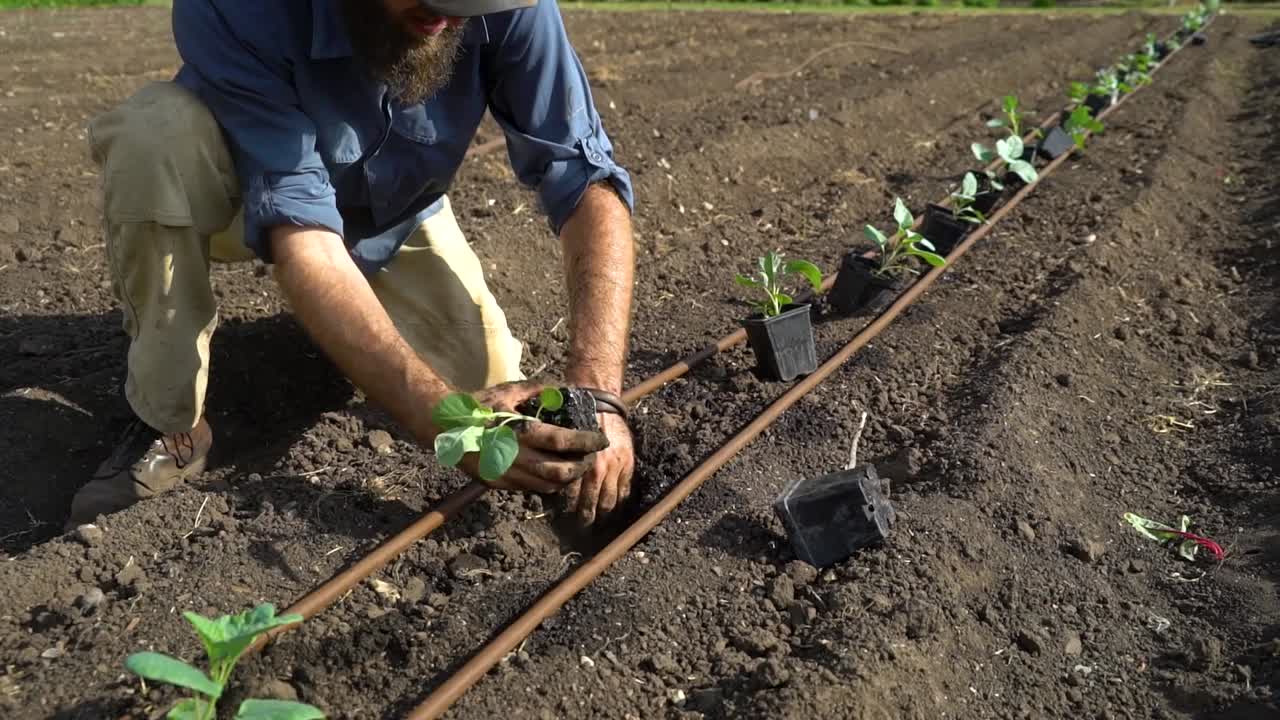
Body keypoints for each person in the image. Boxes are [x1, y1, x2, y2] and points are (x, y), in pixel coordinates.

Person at [69, 0, 636, 529]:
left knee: (490, 392)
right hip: (240, 198)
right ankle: (170, 420)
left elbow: (585, 178)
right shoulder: (240, 8)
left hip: (395, 213)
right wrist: (432, 414)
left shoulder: (511, 8)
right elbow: (305, 236)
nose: (444, 18)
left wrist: (598, 391)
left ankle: (347, 337)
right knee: (154, 132)